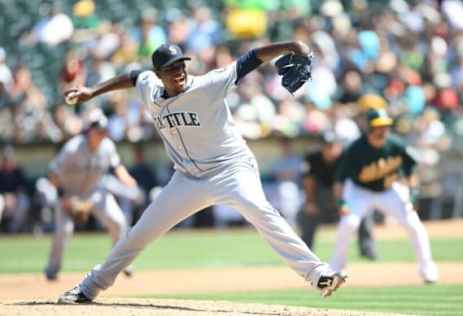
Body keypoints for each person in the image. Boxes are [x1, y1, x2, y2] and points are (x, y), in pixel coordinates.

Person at [58, 41, 346, 303]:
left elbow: (250, 58)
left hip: (231, 168)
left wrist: (291, 46)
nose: (178, 72)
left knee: (260, 210)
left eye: (181, 65)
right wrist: (93, 92)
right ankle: (90, 287)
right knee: (140, 233)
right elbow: (134, 76)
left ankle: (318, 274)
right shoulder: (150, 87)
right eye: (171, 69)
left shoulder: (209, 84)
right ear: (159, 74)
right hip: (186, 178)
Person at [329, 108, 438, 283]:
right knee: (348, 223)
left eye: (386, 126)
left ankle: (428, 269)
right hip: (359, 191)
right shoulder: (355, 149)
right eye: (379, 127)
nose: (383, 131)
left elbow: (410, 169)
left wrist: (413, 191)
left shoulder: (395, 144)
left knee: (413, 224)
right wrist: (342, 201)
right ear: (369, 129)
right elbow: (339, 180)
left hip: (389, 190)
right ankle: (336, 267)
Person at [44, 109, 138, 281]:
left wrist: (127, 179)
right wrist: (63, 196)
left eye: (104, 131)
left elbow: (117, 166)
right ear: (89, 131)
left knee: (118, 222)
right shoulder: (73, 148)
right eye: (98, 131)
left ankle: (122, 263)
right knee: (63, 231)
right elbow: (53, 173)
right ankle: (52, 270)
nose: (101, 134)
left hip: (94, 193)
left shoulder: (107, 146)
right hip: (69, 194)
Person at [297, 131, 378, 260]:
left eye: (334, 145)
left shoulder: (348, 157)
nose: (331, 149)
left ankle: (368, 250)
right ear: (322, 147)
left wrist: (345, 203)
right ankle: (304, 254)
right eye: (327, 146)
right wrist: (310, 202)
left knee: (364, 211)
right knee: (306, 213)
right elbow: (308, 182)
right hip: (321, 198)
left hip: (346, 196)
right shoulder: (313, 158)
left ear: (339, 145)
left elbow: (355, 183)